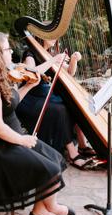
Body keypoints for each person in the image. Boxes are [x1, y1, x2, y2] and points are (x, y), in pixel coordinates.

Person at [0, 31, 75, 215]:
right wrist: (22, 140)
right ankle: (46, 209)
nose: (11, 53)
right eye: (7, 49)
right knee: (47, 167)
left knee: (53, 157)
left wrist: (28, 87)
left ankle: (43, 208)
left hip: (9, 139)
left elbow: (11, 103)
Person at [16, 37, 96, 170]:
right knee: (60, 109)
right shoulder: (30, 54)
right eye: (51, 35)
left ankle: (82, 145)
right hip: (30, 98)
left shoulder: (49, 53)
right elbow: (32, 72)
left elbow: (70, 72)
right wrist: (53, 60)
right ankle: (72, 153)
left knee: (74, 104)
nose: (55, 38)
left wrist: (74, 59)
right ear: (41, 36)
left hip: (44, 96)